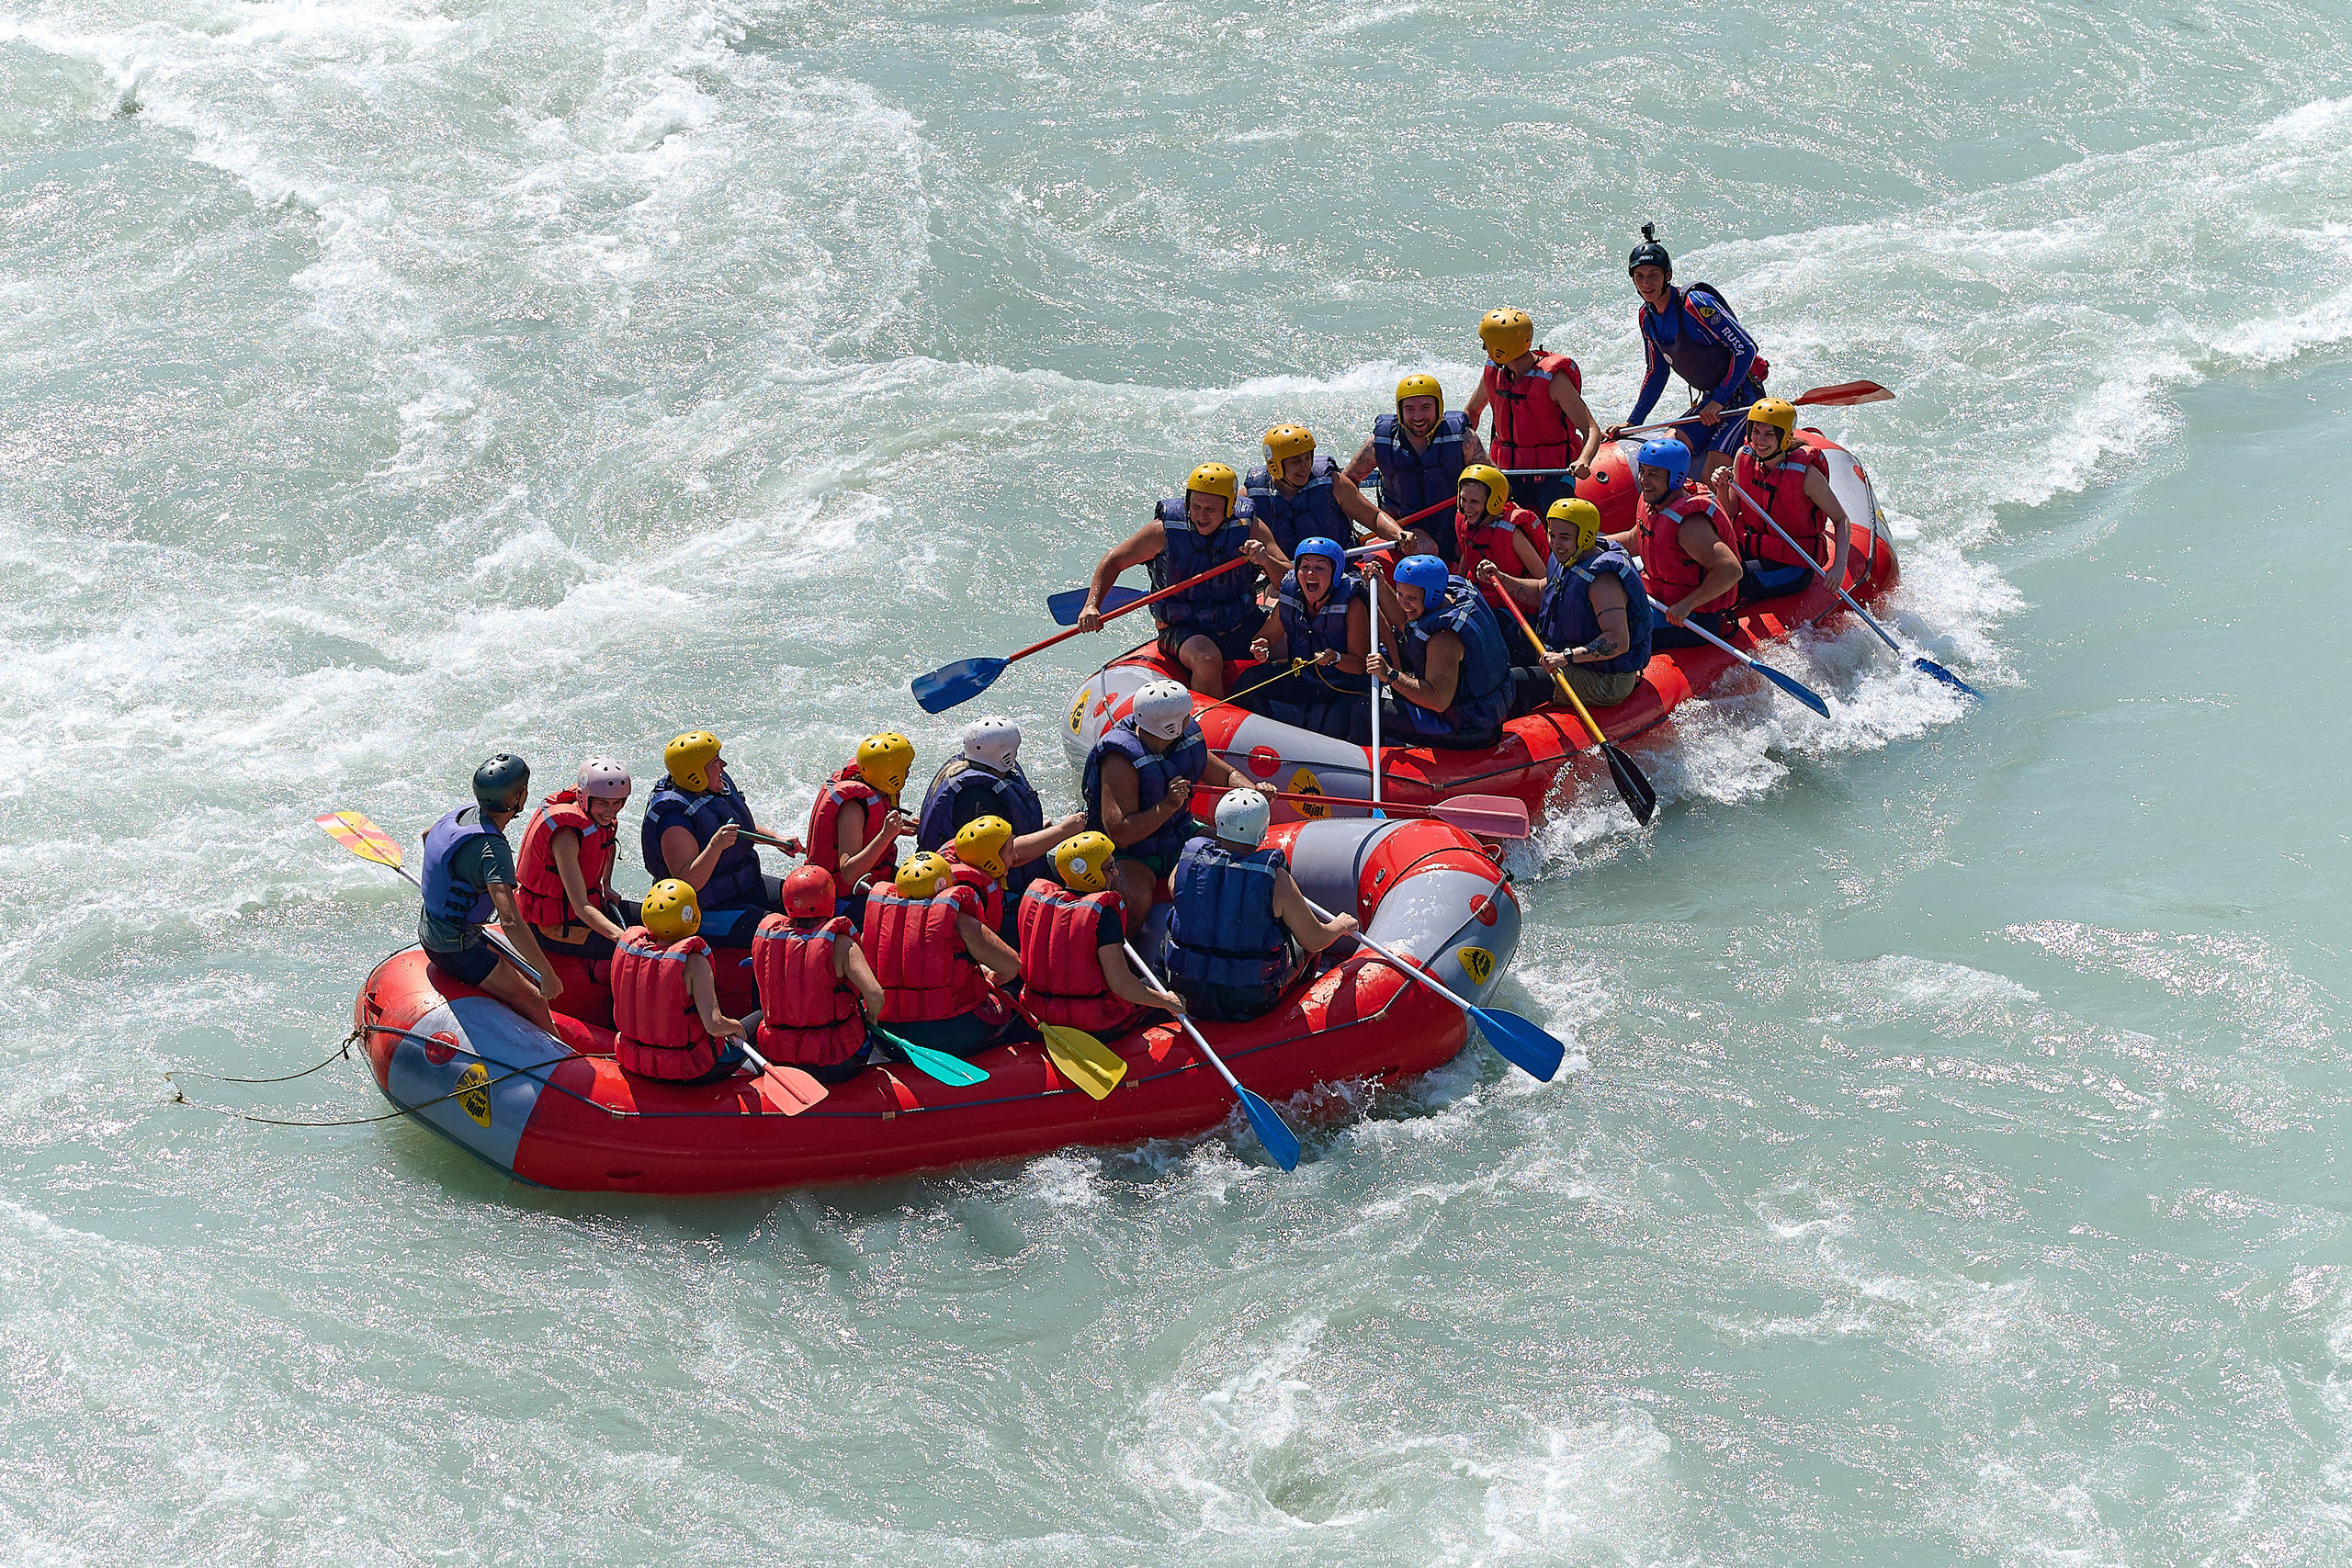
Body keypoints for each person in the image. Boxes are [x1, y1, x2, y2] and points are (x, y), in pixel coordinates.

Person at [1077, 462, 1284, 698]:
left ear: (1229, 507)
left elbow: (1288, 579)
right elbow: (1115, 560)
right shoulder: (1163, 532)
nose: (1201, 515)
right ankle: (1207, 725)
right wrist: (1092, 605)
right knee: (1207, 659)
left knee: (1295, 636)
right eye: (1195, 506)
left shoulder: (1250, 528)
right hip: (1184, 629)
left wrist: (1265, 560)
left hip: (1239, 621)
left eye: (1210, 509)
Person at [1159, 790, 1358, 1022]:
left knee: (1171, 930)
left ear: (1218, 823)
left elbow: (1177, 891)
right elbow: (1315, 939)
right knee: (1304, 945)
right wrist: (1341, 925)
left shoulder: (1188, 861)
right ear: (1263, 832)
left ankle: (1160, 985)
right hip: (1248, 1000)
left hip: (1189, 989)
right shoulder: (1277, 879)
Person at [1081, 677, 1253, 929]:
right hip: (1132, 851)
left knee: (1240, 851)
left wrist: (1251, 792)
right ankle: (1126, 956)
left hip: (1178, 832)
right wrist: (1168, 806)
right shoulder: (1120, 761)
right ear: (1171, 725)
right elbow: (1121, 833)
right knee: (1135, 898)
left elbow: (1226, 775)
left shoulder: (1183, 740)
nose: (1190, 718)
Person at [1611, 225, 1768, 485]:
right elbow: (1657, 372)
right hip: (1711, 401)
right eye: (1639, 276)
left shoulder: (1695, 304)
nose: (1646, 283)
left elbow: (1746, 348)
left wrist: (1719, 401)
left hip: (1742, 397)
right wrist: (1632, 423)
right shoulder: (1647, 317)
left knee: (1712, 472)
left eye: (1653, 274)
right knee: (1667, 449)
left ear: (1668, 275)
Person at [417, 753, 560, 1032]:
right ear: (518, 797)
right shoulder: (493, 850)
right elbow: (509, 921)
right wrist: (547, 974)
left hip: (430, 929)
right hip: (455, 947)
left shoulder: (463, 814)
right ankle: (565, 1062)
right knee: (535, 1000)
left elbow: (427, 836)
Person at [1484, 499, 1657, 716]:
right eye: (1552, 535)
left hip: (1606, 679)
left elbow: (1618, 641)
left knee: (1518, 682)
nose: (1555, 543)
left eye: (1564, 537)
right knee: (1510, 636)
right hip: (1569, 656)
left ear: (1585, 537)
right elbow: (1540, 591)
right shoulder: (1568, 559)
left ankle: (1505, 733)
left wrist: (1565, 657)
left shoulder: (1603, 581)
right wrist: (1501, 578)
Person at [914, 716, 1082, 939]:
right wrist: (1064, 830)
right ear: (1006, 756)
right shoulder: (977, 797)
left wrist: (1038, 831)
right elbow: (1008, 856)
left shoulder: (971, 769)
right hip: (989, 896)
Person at [1017, 831, 1185, 1037]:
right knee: (1159, 983)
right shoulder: (1104, 916)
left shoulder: (1041, 904)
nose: (1115, 873)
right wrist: (1166, 1001)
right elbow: (1121, 985)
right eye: (1109, 867)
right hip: (1093, 1021)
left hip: (1040, 1011)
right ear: (1091, 872)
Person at [511, 757, 639, 1028]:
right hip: (555, 923)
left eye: (618, 803)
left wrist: (607, 885)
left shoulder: (599, 818)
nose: (611, 810)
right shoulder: (566, 833)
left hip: (587, 904)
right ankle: (621, 1024)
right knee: (632, 955)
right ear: (584, 798)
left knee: (654, 923)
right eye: (603, 803)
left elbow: (608, 845)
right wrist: (621, 937)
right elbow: (580, 906)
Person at [858, 852, 1023, 1058]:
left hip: (887, 1035)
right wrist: (992, 978)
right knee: (1015, 994)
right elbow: (1012, 966)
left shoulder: (879, 924)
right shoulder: (959, 921)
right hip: (951, 1034)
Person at [641, 731, 786, 953]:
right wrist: (715, 846)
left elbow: (737, 827)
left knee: (800, 896)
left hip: (744, 885)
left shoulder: (711, 787)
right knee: (780, 932)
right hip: (708, 908)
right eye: (715, 761)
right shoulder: (674, 821)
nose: (723, 765)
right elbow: (686, 882)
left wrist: (776, 839)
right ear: (695, 773)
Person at [749, 864, 885, 1086]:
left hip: (778, 1057)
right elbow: (876, 995)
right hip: (835, 1063)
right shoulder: (841, 944)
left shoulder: (768, 939)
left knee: (758, 1018)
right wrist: (871, 1020)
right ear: (830, 900)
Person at [1463, 308, 1605, 518]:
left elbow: (1591, 429)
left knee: (1558, 519)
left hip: (1553, 474)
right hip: (1508, 471)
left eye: (1488, 343)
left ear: (1505, 347)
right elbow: (1472, 412)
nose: (1484, 347)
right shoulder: (1494, 373)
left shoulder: (1553, 380)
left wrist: (1583, 460)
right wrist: (1467, 452)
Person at [1362, 554, 1514, 750]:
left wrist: (1390, 674)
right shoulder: (1452, 591)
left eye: (1411, 598)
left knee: (1364, 711)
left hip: (1467, 727)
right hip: (1485, 704)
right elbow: (1404, 619)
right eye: (1400, 594)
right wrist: (1381, 584)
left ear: (1432, 595)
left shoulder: (1443, 638)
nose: (1403, 602)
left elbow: (1438, 700)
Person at [611, 878, 749, 1087]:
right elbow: (715, 1024)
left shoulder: (632, 952)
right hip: (687, 1067)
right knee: (757, 1023)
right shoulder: (694, 963)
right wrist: (737, 1027)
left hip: (634, 1059)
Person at [1613, 436, 1742, 650]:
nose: (1644, 479)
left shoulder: (1690, 526)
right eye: (1643, 471)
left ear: (1675, 478)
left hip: (1694, 619)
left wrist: (1685, 606)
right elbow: (1634, 540)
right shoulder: (1653, 501)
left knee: (1610, 629)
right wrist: (1592, 544)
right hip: (1661, 600)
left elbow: (1731, 570)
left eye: (1654, 474)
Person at [1719, 396, 1851, 602]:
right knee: (1705, 571)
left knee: (1729, 581)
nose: (1759, 440)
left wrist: (1839, 566)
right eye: (1755, 431)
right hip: (1751, 547)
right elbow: (1729, 512)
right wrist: (1720, 487)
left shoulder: (1807, 476)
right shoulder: (1742, 458)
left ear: (1784, 438)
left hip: (1793, 564)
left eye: (1768, 435)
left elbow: (1841, 519)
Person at [1344, 373, 1487, 561]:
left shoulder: (1463, 438)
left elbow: (1490, 483)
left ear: (1439, 407)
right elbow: (1346, 484)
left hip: (1457, 530)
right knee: (1427, 548)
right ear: (1400, 410)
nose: (1417, 417)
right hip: (1404, 533)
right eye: (1409, 409)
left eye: (1425, 408)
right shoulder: (1380, 443)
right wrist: (1350, 527)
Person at [1239, 536, 1370, 739]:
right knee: (1248, 682)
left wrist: (1335, 658)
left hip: (1343, 686)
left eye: (1320, 568)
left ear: (1335, 573)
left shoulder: (1352, 605)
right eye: (1304, 566)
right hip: (1305, 678)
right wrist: (1262, 646)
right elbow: (1265, 636)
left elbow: (1359, 665)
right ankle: (1267, 742)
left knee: (1334, 730)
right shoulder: (1291, 594)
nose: (1310, 573)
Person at [804, 732, 914, 924]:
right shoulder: (853, 808)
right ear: (891, 775)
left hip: (871, 880)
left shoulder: (875, 790)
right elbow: (849, 873)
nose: (908, 773)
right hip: (846, 898)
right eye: (906, 769)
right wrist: (886, 835)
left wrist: (898, 829)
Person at [1244, 423, 1398, 559]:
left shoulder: (1333, 483)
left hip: (1339, 568)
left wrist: (1398, 534)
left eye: (1307, 457)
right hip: (1288, 574)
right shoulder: (1252, 495)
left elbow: (1374, 517)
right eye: (1296, 461)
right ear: (1275, 465)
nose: (1305, 466)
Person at [1449, 464, 1551, 668]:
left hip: (1516, 610)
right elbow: (1466, 557)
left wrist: (1502, 576)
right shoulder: (1467, 522)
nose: (1467, 508)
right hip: (1483, 600)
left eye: (1475, 502)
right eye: (1463, 500)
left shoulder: (1512, 533)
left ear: (1494, 502)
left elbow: (1544, 580)